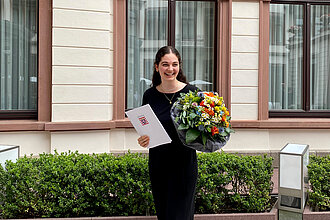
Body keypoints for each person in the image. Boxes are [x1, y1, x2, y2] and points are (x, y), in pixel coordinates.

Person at [137, 46, 199, 220]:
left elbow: (200, 132)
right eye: (165, 64)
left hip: (184, 165)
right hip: (158, 165)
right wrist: (143, 140)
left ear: (179, 66)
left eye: (174, 64)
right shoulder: (149, 95)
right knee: (164, 215)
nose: (170, 69)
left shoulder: (192, 93)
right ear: (157, 67)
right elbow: (146, 128)